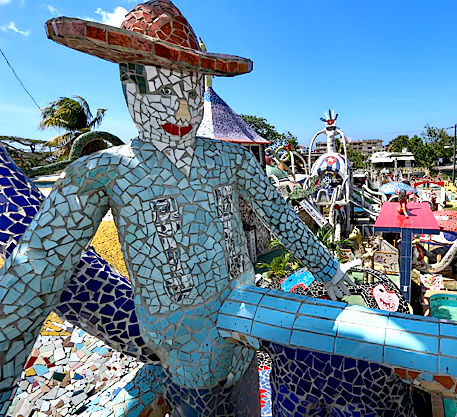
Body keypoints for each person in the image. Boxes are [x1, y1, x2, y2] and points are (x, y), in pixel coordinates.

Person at [0, 1, 354, 415]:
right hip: (182, 359)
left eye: (190, 91)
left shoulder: (231, 160)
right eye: (166, 91)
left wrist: (330, 271)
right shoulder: (103, 173)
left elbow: (280, 216)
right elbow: (34, 277)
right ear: (132, 89)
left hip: (243, 336)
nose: (183, 110)